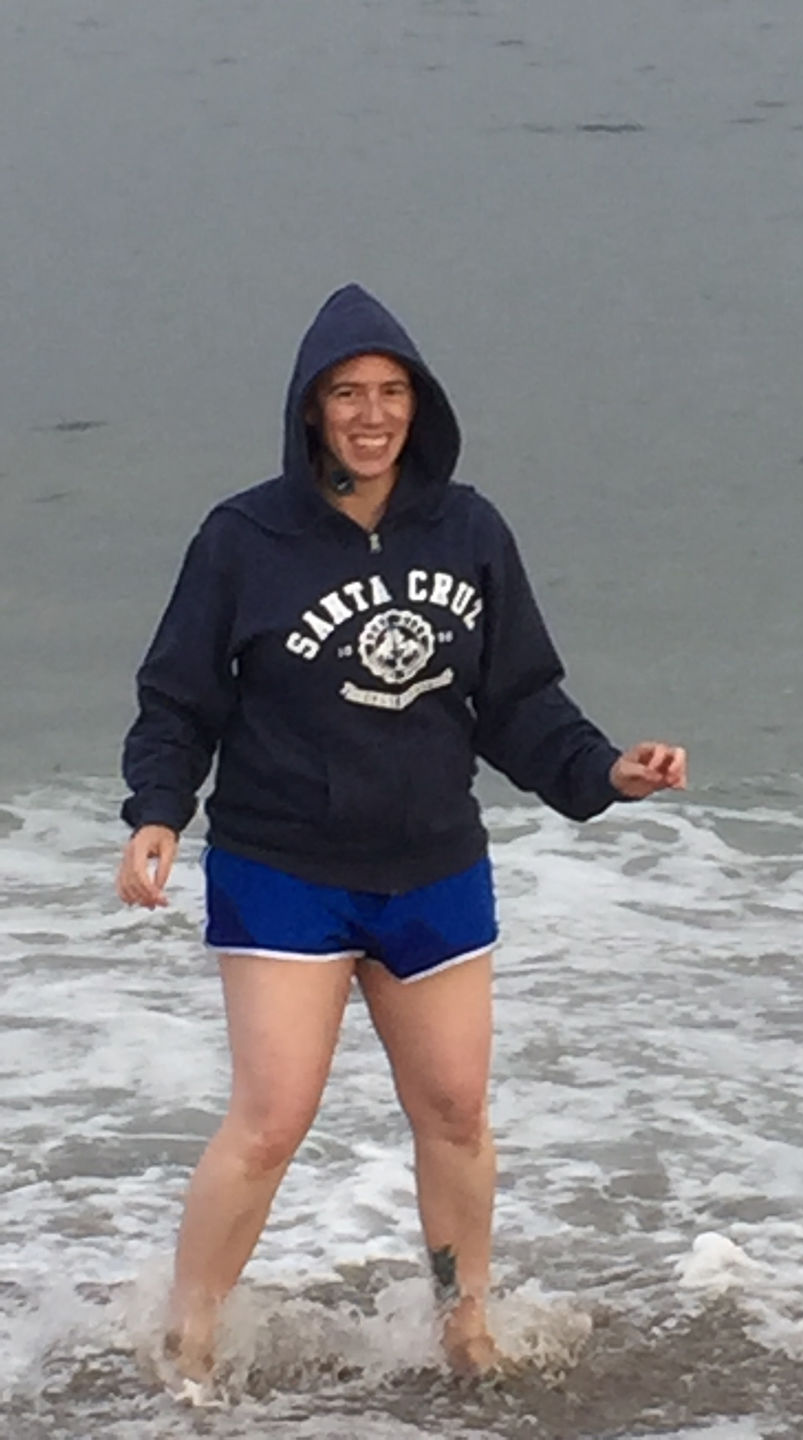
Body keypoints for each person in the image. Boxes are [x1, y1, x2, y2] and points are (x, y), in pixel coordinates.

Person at [115, 282, 687, 1386]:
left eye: (390, 393)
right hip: (284, 867)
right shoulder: (244, 538)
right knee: (271, 1120)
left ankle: (464, 1325)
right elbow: (178, 698)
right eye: (347, 394)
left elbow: (519, 702)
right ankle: (188, 1341)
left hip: (432, 867)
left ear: (418, 405)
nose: (370, 416)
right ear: (311, 408)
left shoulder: (468, 531)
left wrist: (607, 771)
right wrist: (157, 811)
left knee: (457, 1113)